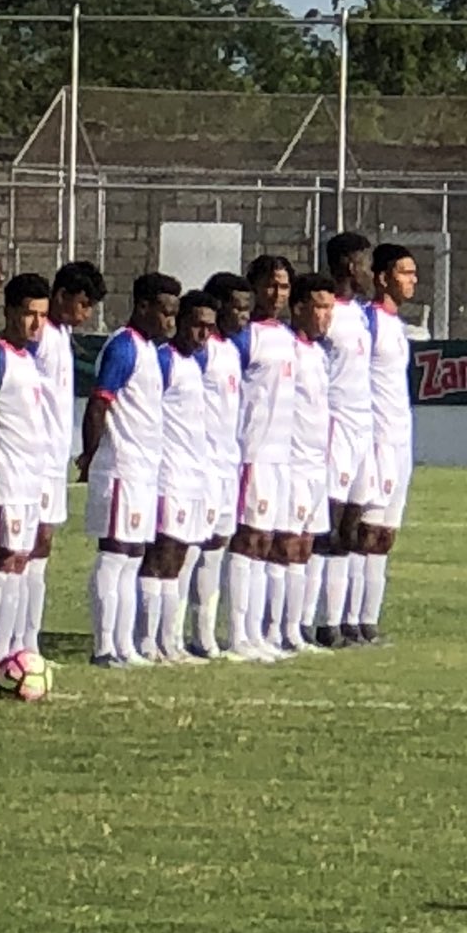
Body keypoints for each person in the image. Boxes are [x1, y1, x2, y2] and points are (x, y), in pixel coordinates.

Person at [79, 272, 179, 667]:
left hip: (143, 469)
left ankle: (125, 644)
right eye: (165, 312)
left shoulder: (151, 350)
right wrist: (90, 456)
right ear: (143, 308)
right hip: (120, 466)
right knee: (115, 554)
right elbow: (99, 403)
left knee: (134, 555)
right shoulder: (124, 347)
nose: (171, 321)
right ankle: (105, 646)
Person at [16, 261, 103, 666]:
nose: (86, 314)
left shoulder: (63, 335)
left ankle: (27, 641)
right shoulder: (41, 336)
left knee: (42, 546)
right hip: (30, 455)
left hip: (53, 458)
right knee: (20, 548)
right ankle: (6, 642)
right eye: (82, 304)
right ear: (62, 296)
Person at [0, 272, 50, 672]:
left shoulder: (30, 359)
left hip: (30, 479)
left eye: (42, 316)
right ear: (11, 313)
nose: (36, 324)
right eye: (29, 314)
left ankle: (9, 649)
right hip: (5, 476)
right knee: (0, 560)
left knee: (21, 562)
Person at [226, 254, 297, 663]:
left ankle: (258, 632)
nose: (278, 294)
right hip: (250, 451)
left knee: (268, 543)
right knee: (247, 541)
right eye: (271, 285)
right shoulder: (245, 337)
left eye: (284, 286)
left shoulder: (286, 335)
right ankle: (237, 634)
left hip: (280, 455)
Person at [140, 289, 216, 664]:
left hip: (193, 474)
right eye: (196, 325)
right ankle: (145, 640)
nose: (202, 334)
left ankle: (170, 641)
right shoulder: (162, 359)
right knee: (160, 556)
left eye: (209, 328)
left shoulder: (197, 362)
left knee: (180, 560)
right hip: (167, 472)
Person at [357, 242, 419, 645]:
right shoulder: (368, 321)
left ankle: (368, 620)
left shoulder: (398, 327)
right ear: (382, 277)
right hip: (375, 440)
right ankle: (345, 620)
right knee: (365, 532)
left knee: (385, 536)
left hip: (401, 441)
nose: (412, 281)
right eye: (404, 272)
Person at [315, 231, 376, 648]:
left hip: (362, 427)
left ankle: (342, 622)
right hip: (334, 425)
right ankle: (317, 622)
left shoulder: (360, 313)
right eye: (367, 263)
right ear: (350, 266)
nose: (372, 272)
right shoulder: (326, 312)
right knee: (329, 527)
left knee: (353, 527)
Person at [190, 272, 251, 659]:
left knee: (216, 545)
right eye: (237, 307)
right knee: (189, 547)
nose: (244, 316)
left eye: (248, 309)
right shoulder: (202, 350)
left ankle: (206, 634)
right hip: (201, 462)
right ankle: (177, 634)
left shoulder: (230, 349)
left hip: (227, 460)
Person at [282, 271, 336, 654]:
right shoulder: (287, 348)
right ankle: (273, 630)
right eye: (318, 307)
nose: (325, 316)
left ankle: (296, 628)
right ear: (298, 308)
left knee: (308, 548)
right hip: (292, 462)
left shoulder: (320, 352)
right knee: (286, 547)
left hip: (319, 463)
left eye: (329, 308)